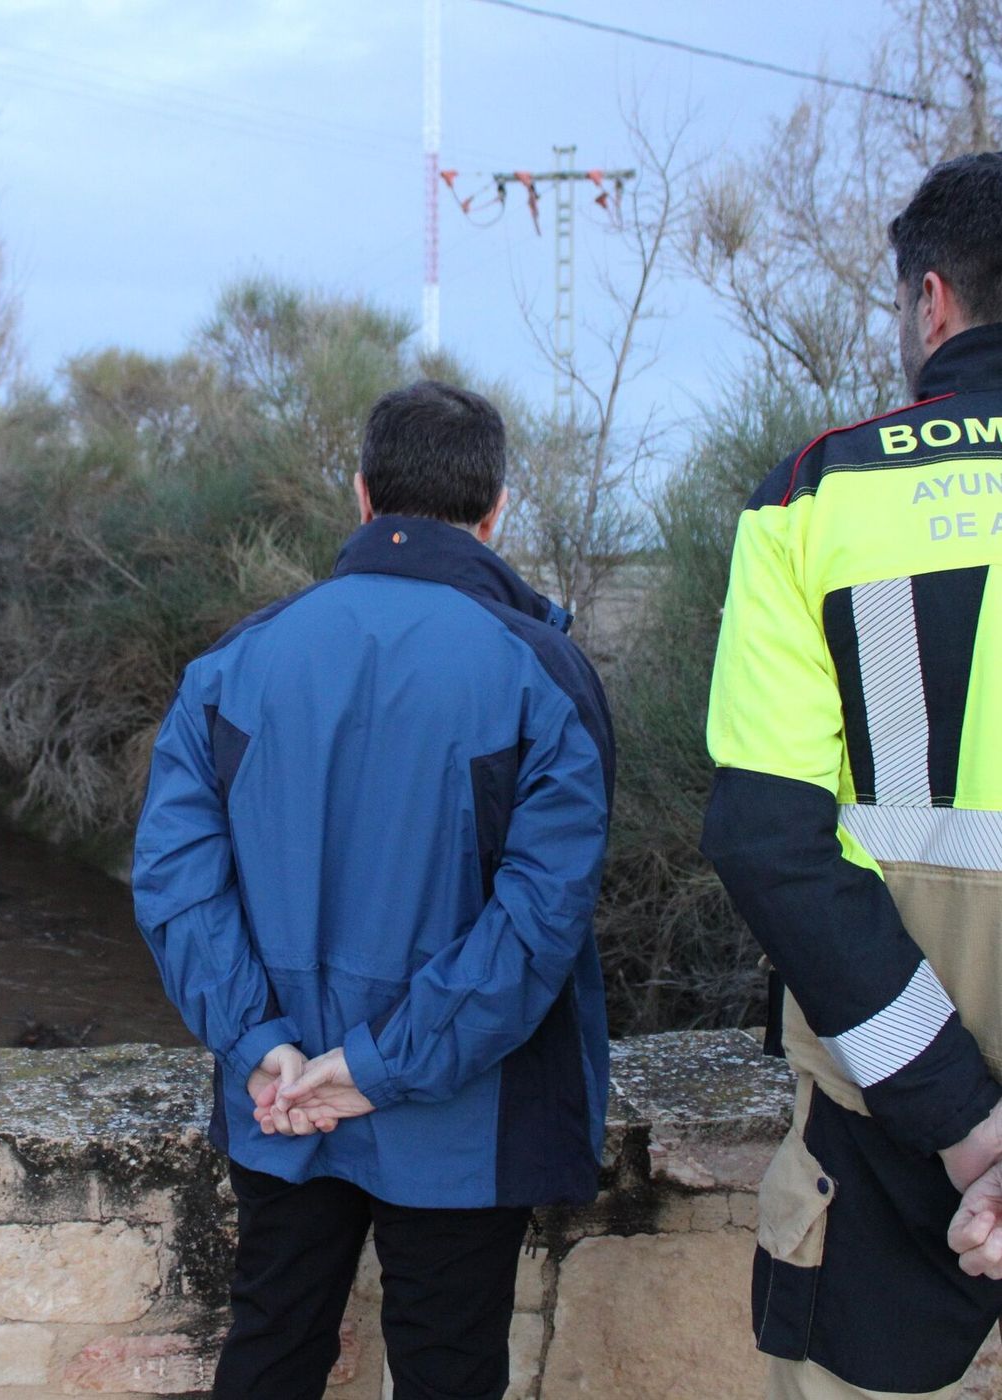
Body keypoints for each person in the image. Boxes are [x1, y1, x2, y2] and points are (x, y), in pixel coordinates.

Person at [133, 379, 614, 1400]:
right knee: (445, 1366)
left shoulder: (233, 664)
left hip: (279, 1095)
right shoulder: (540, 669)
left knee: (270, 1343)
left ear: (359, 495)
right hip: (462, 1115)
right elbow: (539, 918)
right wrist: (381, 1063)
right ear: (494, 512)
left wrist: (265, 1043)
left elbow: (176, 886)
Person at [700, 150, 1002, 1400]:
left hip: (885, 1151)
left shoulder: (812, 497)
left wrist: (967, 1123)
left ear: (928, 303)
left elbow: (769, 839)